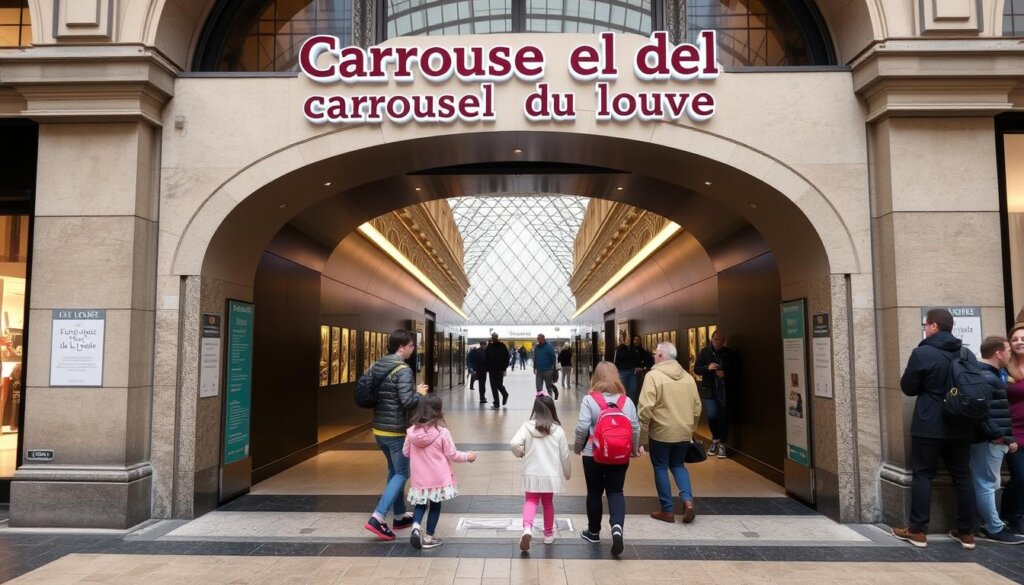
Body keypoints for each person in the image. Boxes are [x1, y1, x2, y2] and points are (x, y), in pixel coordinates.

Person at [891, 308, 977, 549]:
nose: (925, 328)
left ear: (934, 326)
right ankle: (967, 532)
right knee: (963, 475)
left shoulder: (923, 353)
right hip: (961, 424)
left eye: (926, 325)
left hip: (930, 423)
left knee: (923, 474)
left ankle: (918, 531)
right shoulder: (966, 353)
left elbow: (908, 387)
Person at [358, 329, 428, 541]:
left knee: (394, 470)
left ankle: (399, 515)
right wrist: (419, 393)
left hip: (379, 428)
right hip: (395, 430)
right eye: (411, 346)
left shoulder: (379, 364)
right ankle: (378, 517)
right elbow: (407, 402)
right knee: (403, 472)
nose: (412, 349)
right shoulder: (403, 370)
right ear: (401, 347)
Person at [574, 361, 641, 557]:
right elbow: (635, 427)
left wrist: (578, 447)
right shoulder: (625, 401)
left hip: (592, 453)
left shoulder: (590, 399)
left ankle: (593, 532)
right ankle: (617, 527)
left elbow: (582, 426)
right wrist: (634, 450)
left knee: (594, 492)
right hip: (619, 454)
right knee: (616, 491)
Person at [638, 341, 702, 524]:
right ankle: (687, 501)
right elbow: (697, 407)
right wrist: (690, 428)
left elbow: (645, 408)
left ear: (660, 356)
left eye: (655, 353)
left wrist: (641, 437)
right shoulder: (688, 377)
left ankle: (667, 511)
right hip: (683, 432)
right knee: (678, 465)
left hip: (661, 433)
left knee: (660, 467)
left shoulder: (653, 376)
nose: (653, 356)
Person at [403, 393, 477, 549]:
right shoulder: (442, 431)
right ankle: (429, 537)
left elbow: (406, 452)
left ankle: (416, 527)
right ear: (438, 411)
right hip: (437, 478)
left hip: (419, 478)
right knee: (435, 506)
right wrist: (468, 456)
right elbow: (452, 454)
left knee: (420, 504)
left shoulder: (411, 431)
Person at [970, 336, 1024, 544]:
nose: (1010, 354)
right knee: (987, 484)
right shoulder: (988, 377)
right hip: (989, 441)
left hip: (992, 439)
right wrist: (999, 436)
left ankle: (992, 524)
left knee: (989, 483)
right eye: (1008, 350)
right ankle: (993, 527)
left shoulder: (990, 375)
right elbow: (984, 414)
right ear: (998, 353)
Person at [511, 395, 571, 551]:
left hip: (532, 473)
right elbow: (565, 455)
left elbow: (514, 443)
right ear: (552, 410)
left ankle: (527, 528)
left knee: (531, 501)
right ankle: (549, 534)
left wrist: (520, 453)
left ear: (535, 410)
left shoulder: (527, 427)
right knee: (547, 503)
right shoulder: (558, 430)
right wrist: (567, 472)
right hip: (550, 476)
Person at [693, 330, 736, 459]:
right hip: (710, 390)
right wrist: (707, 367)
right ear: (711, 340)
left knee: (723, 417)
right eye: (716, 339)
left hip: (725, 392)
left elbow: (737, 370)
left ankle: (723, 444)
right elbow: (696, 369)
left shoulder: (730, 353)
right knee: (712, 416)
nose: (718, 342)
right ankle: (715, 440)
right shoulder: (705, 352)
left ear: (724, 341)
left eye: (721, 339)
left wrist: (725, 374)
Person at [1003, 324, 1024, 534]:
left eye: (1023, 338)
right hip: (1014, 431)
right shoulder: (1005, 369)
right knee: (1020, 477)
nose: (1019, 341)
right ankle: (1012, 516)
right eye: (1015, 339)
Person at [613, 332, 640, 405]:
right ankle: (622, 406)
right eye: (627, 338)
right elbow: (616, 362)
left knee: (633, 390)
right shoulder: (619, 349)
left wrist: (637, 367)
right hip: (622, 373)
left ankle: (631, 406)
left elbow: (636, 360)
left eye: (629, 338)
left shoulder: (632, 349)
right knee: (622, 391)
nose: (629, 340)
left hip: (632, 373)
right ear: (623, 339)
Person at [485, 332, 510, 409]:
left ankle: (505, 394)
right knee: (493, 386)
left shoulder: (502, 346)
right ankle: (496, 403)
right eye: (493, 337)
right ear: (491, 337)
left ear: (497, 337)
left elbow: (507, 357)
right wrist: (487, 368)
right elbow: (487, 358)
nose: (494, 338)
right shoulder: (489, 346)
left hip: (500, 369)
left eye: (495, 337)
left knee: (498, 384)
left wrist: (504, 368)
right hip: (491, 370)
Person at [533, 334, 559, 399]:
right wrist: (534, 367)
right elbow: (535, 358)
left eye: (540, 338)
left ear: (544, 338)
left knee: (549, 388)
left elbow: (553, 358)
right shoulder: (536, 347)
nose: (539, 339)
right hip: (539, 371)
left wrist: (553, 369)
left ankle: (550, 401)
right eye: (538, 338)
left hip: (548, 371)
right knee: (538, 388)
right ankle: (540, 402)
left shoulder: (549, 346)